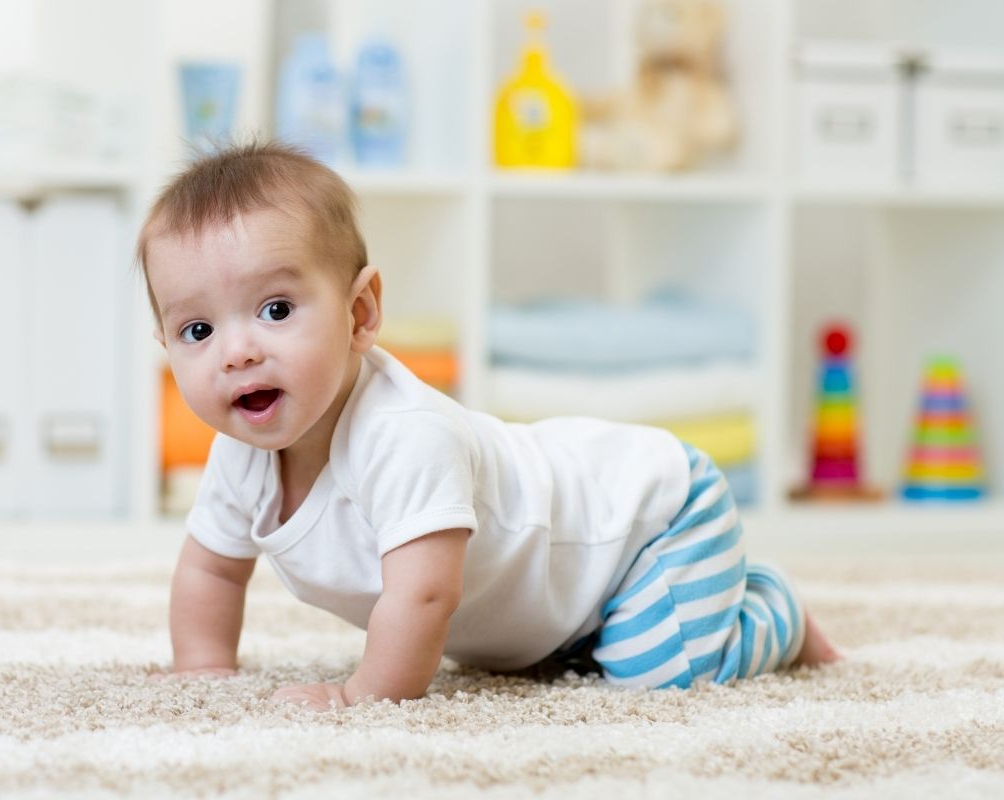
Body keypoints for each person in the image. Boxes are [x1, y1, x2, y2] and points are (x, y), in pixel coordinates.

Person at [137, 141, 840, 710]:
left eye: (277, 310)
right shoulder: (241, 456)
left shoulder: (403, 436)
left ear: (360, 314)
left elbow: (426, 593)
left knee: (654, 671)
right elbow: (212, 570)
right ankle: (596, 627)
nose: (237, 352)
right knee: (546, 659)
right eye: (197, 328)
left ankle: (770, 610)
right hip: (560, 598)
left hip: (648, 520)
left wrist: (363, 695)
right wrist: (202, 669)